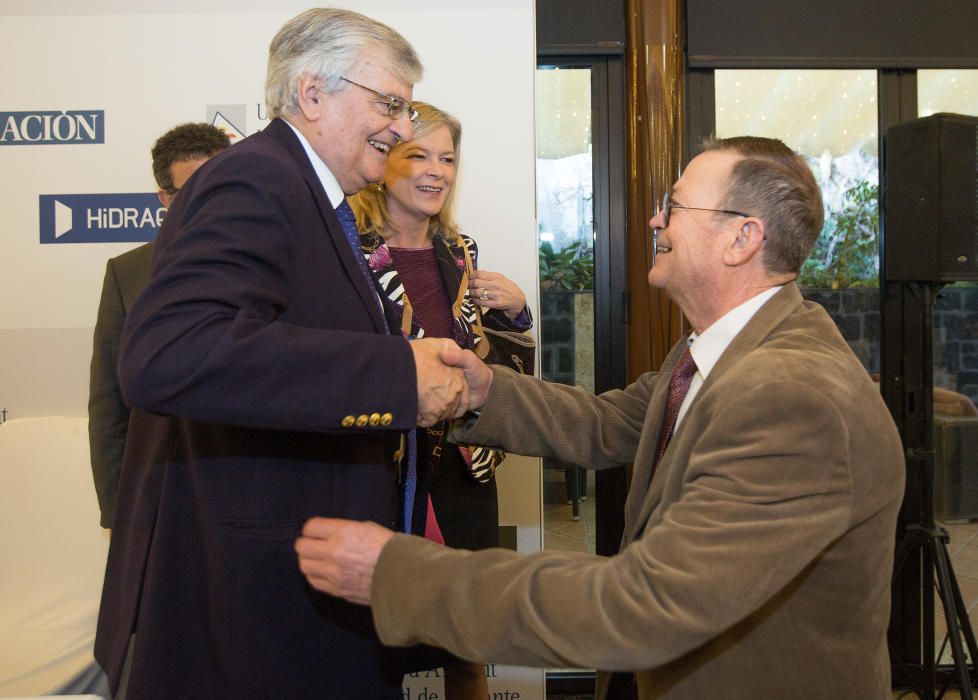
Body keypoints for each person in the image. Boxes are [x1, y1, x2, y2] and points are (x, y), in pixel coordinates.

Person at [296, 136, 907, 699]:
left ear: (741, 238)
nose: (655, 220)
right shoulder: (720, 351)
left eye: (675, 208)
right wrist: (482, 391)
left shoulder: (790, 398)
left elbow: (649, 603)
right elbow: (607, 423)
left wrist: (399, 575)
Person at [94, 9, 467, 699]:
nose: (403, 128)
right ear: (313, 93)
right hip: (255, 612)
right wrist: (393, 375)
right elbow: (168, 354)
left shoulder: (316, 198)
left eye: (408, 109)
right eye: (390, 103)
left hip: (299, 591)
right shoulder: (257, 179)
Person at [349, 101, 532, 697]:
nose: (437, 171)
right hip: (379, 471)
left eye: (448, 158)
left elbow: (492, 361)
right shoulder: (346, 249)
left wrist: (518, 313)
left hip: (461, 467)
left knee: (467, 642)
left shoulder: (461, 251)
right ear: (383, 161)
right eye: (419, 155)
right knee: (371, 644)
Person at [88, 122, 230, 530]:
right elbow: (109, 403)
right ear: (165, 198)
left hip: (250, 489)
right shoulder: (127, 273)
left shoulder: (280, 262)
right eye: (190, 192)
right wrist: (119, 510)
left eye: (219, 184)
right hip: (163, 492)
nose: (208, 201)